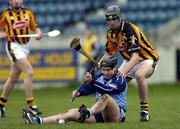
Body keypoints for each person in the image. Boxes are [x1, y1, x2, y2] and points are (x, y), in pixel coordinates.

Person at [22, 55, 127, 124]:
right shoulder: (100, 77)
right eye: (103, 70)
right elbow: (91, 88)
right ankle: (37, 121)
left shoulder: (120, 79)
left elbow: (107, 90)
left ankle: (88, 112)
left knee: (106, 97)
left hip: (116, 115)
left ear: (115, 68)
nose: (104, 72)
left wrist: (91, 81)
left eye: (108, 70)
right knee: (70, 113)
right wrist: (79, 92)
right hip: (99, 114)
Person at [100, 5, 159, 122]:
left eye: (114, 19)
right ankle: (118, 112)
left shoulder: (129, 29)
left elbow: (136, 57)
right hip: (128, 60)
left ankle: (144, 111)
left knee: (139, 75)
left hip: (146, 59)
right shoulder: (110, 34)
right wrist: (99, 63)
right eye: (108, 19)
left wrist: (122, 71)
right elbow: (109, 52)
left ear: (119, 17)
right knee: (113, 84)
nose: (111, 22)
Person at [0, 0, 42, 118]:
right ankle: (31, 105)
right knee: (29, 71)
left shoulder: (28, 13)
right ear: (10, 1)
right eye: (14, 0)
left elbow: (35, 28)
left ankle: (1, 105)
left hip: (25, 47)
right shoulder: (5, 14)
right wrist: (1, 34)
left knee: (13, 78)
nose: (17, 1)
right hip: (13, 46)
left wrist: (39, 34)